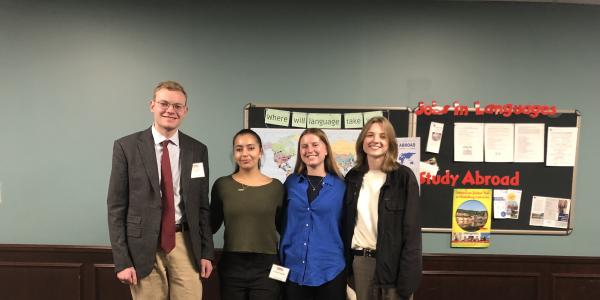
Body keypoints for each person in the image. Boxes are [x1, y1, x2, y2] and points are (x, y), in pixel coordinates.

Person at [107, 80, 214, 299]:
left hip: (184, 242)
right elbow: (116, 208)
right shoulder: (126, 147)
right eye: (164, 103)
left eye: (177, 106)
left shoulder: (197, 150)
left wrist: (207, 253)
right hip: (142, 246)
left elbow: (202, 206)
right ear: (152, 105)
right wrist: (122, 260)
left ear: (185, 111)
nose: (170, 110)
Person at [344, 116, 422, 300]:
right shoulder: (352, 178)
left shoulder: (403, 177)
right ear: (362, 141)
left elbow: (412, 233)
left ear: (390, 142)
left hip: (394, 266)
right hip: (361, 264)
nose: (375, 140)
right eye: (370, 135)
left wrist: (407, 280)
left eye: (382, 136)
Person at [210, 129, 285, 300]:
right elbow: (210, 226)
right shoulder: (222, 185)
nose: (245, 153)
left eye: (250, 148)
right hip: (232, 266)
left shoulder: (277, 187)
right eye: (239, 149)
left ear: (260, 152)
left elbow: (285, 229)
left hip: (267, 266)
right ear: (234, 153)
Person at [279, 128, 347, 300]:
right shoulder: (291, 183)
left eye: (315, 145)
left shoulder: (342, 186)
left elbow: (348, 226)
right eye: (304, 146)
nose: (310, 150)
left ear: (325, 150)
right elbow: (280, 220)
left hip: (331, 271)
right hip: (293, 270)